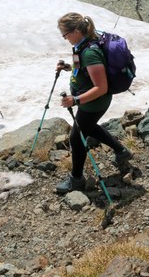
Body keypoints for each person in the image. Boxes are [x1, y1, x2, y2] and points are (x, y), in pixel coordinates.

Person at [54, 12, 133, 194]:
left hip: (93, 102)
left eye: (65, 35)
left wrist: (75, 100)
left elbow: (101, 87)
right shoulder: (84, 45)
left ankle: (76, 179)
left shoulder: (89, 52)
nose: (65, 39)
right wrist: (69, 67)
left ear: (75, 31)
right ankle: (121, 151)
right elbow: (85, 69)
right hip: (90, 102)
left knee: (76, 136)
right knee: (88, 127)